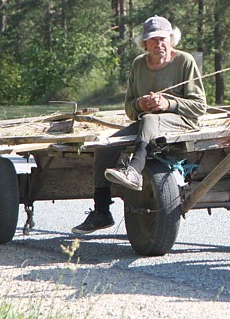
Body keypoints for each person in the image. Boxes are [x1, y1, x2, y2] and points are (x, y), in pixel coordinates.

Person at [71, 15, 207, 234]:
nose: (158, 44)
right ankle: (102, 212)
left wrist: (168, 103)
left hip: (180, 121)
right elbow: (129, 108)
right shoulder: (138, 64)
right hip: (148, 122)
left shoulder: (185, 61)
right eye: (152, 40)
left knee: (150, 119)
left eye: (162, 38)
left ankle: (134, 171)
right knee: (106, 145)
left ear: (171, 39)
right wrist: (140, 103)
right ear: (144, 43)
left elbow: (199, 106)